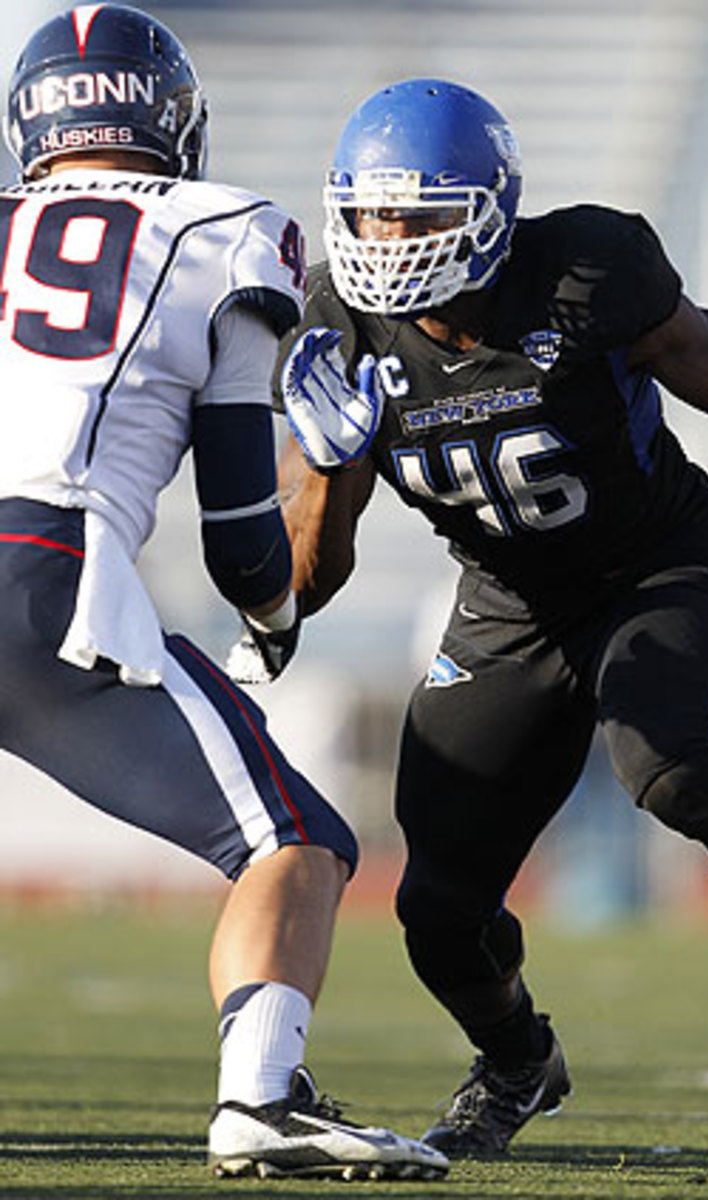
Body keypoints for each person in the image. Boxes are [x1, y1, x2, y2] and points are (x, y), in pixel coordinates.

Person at [275, 77, 708, 1158]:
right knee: (438, 910)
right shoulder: (337, 326)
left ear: (491, 212)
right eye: (369, 215)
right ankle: (517, 1060)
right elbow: (304, 581)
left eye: (419, 216)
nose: (389, 241)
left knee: (673, 768)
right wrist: (327, 469)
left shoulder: (583, 272)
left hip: (660, 564)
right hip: (509, 607)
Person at [0, 9, 449, 1183]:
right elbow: (243, 530)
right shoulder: (227, 230)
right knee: (293, 840)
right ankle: (261, 1098)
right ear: (173, 119)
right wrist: (272, 616)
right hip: (34, 572)